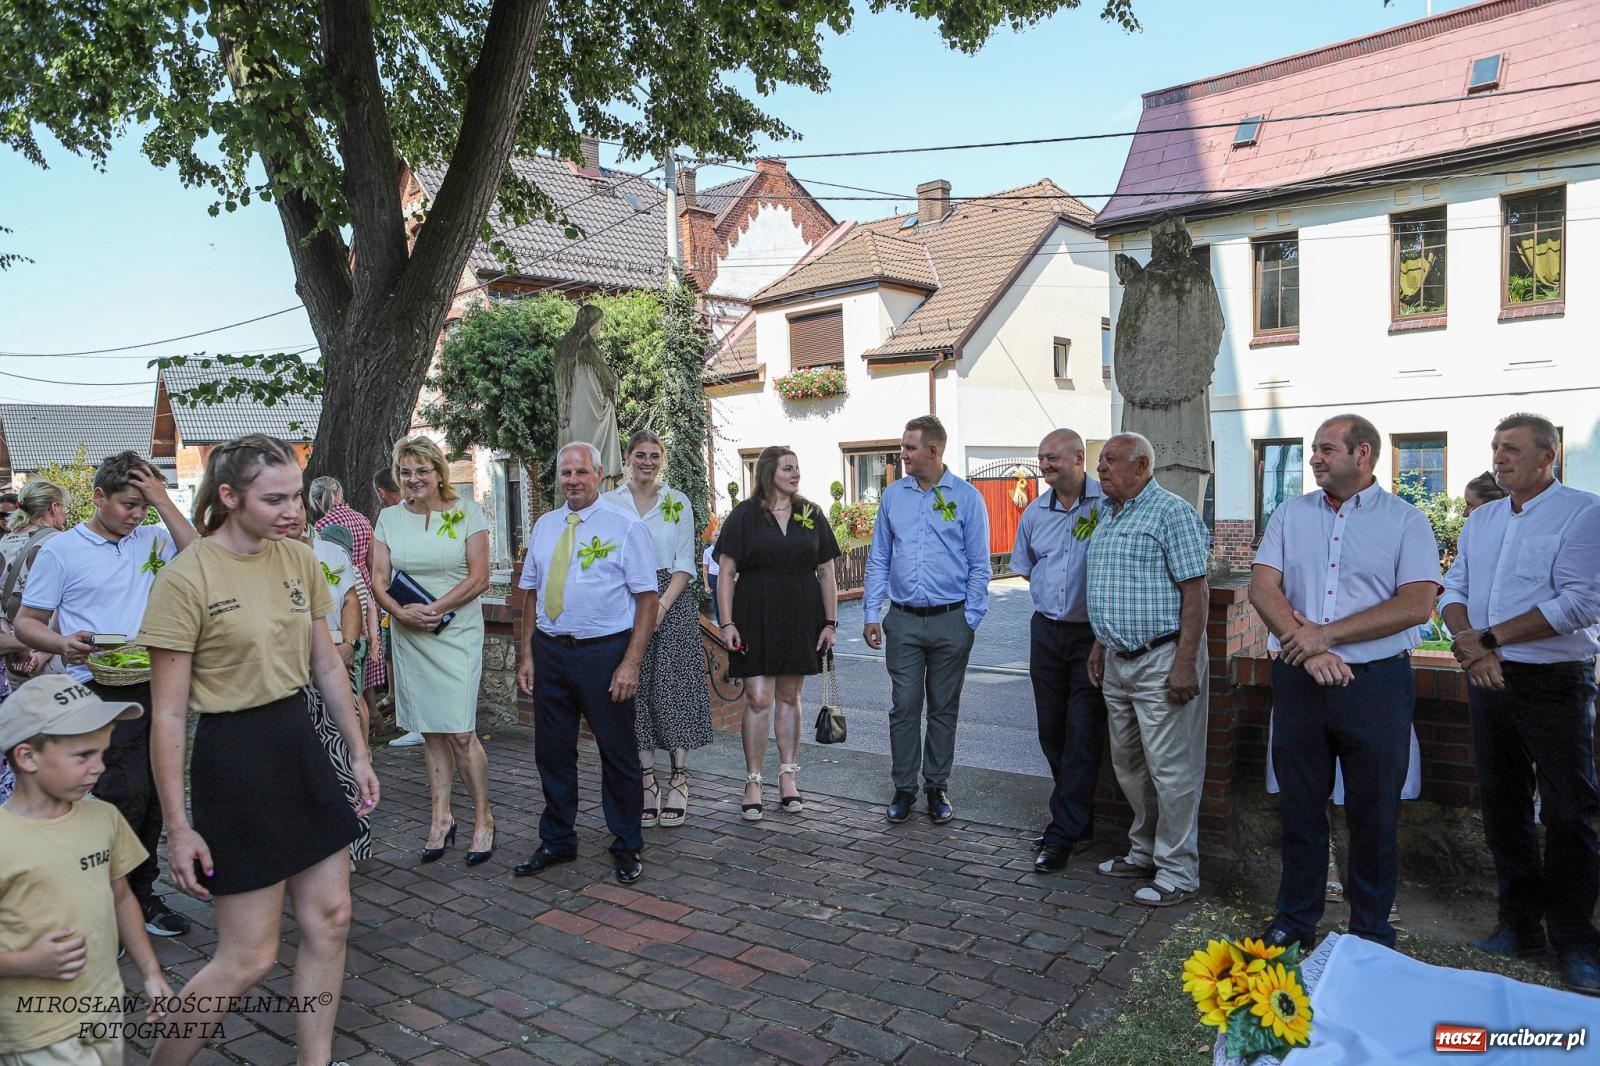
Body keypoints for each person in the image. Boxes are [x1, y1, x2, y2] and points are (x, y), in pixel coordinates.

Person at [137, 433, 377, 1066]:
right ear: (229, 496)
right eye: (275, 500)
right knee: (248, 957)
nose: (292, 511)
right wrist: (179, 828)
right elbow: (167, 715)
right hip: (234, 757)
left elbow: (326, 664)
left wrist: (357, 752)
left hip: (300, 743)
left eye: (296, 496)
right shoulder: (186, 577)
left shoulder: (299, 558)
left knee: (331, 917)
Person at [1251, 414, 1439, 950]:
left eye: (1326, 449)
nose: (1314, 457)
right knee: (1300, 806)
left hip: (1375, 684)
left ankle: (1370, 930)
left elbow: (1416, 604)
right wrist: (1310, 649)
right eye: (1314, 448)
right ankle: (1295, 919)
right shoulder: (1290, 513)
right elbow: (1263, 589)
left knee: (1374, 812)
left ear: (1362, 454)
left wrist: (1326, 635)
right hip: (1300, 679)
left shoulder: (1406, 521)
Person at [1441, 413, 1600, 994]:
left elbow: (1580, 604)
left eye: (1511, 448)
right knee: (1502, 803)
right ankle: (1519, 925)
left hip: (1555, 681)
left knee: (1568, 810)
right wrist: (1471, 646)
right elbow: (1454, 588)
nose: (1499, 457)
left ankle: (1576, 940)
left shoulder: (1583, 513)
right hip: (1489, 678)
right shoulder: (1482, 519)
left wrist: (1488, 639)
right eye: (1495, 447)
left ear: (1547, 457)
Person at [15, 451, 197, 940]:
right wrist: (62, 644)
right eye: (128, 504)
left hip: (157, 680)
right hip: (95, 686)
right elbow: (27, 623)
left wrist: (163, 501)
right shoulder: (62, 550)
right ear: (98, 497)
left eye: (144, 505)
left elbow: (201, 556)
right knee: (121, 794)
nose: (137, 514)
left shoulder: (154, 538)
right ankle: (108, 905)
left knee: (156, 792)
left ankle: (141, 895)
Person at [0, 676, 174, 1066]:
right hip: (36, 1028)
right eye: (83, 756)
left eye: (102, 752)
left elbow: (121, 896)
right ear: (28, 757)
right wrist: (27, 962)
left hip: (103, 1007)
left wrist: (150, 971)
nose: (99, 767)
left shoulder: (103, 817)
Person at [515, 442, 657, 885]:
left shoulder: (626, 527)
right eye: (565, 473)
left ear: (598, 474)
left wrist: (631, 663)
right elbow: (531, 594)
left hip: (604, 654)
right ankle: (558, 839)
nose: (572, 480)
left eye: (581, 472)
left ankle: (627, 844)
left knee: (617, 753)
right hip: (550, 652)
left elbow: (647, 600)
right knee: (552, 752)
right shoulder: (544, 525)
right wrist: (527, 653)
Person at [1085, 432, 1210, 907]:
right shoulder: (1110, 515)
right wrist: (1100, 645)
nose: (1101, 468)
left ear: (1142, 466)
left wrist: (1185, 662)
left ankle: (1178, 871)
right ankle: (1144, 851)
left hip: (1161, 658)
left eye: (1111, 460)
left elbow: (1196, 592)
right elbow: (1113, 587)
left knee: (1172, 770)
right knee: (1130, 766)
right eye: (1101, 460)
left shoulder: (1172, 512)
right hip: (1118, 661)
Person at [372, 437, 494, 866]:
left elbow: (481, 576)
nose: (414, 479)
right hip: (410, 633)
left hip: (457, 632)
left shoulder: (467, 512)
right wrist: (399, 613)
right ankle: (440, 818)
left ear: (439, 472)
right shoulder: (388, 518)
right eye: (406, 472)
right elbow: (378, 579)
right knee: (431, 731)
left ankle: (483, 818)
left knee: (460, 731)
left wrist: (436, 608)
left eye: (422, 470)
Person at [862, 415, 990, 825]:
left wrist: (970, 619)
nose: (902, 454)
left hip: (952, 620)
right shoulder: (893, 497)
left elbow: (980, 565)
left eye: (909, 448)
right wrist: (871, 613)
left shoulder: (967, 498)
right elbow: (879, 558)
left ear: (933, 450)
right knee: (904, 707)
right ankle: (904, 788)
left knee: (943, 708)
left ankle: (936, 786)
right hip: (902, 620)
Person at [716, 446, 840, 821]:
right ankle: (753, 781)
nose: (795, 473)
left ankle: (788, 776)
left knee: (789, 696)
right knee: (757, 698)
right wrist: (726, 623)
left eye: (797, 468)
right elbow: (726, 572)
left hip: (801, 615)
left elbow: (827, 573)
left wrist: (830, 623)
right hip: (754, 614)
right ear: (769, 472)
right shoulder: (745, 515)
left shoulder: (811, 513)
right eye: (788, 468)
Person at [1009, 429, 1105, 874]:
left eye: (1052, 458)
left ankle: (1063, 832)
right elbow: (1028, 569)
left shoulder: (1107, 506)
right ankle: (1077, 820)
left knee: (1082, 732)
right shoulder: (1034, 513)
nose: (1044, 465)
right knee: (1051, 731)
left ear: (1078, 457)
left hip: (1091, 637)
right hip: (1046, 632)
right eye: (1041, 458)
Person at [607, 430, 711, 828]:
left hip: (672, 598)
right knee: (637, 691)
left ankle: (679, 778)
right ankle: (647, 780)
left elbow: (685, 562)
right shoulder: (611, 502)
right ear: (628, 457)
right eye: (640, 455)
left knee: (674, 688)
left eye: (654, 455)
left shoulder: (677, 501)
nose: (647, 462)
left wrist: (660, 607)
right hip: (626, 600)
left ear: (661, 459)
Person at [299, 515, 372, 863]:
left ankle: (350, 845)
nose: (291, 514)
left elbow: (351, 600)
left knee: (342, 749)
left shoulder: (330, 552)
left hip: (334, 657)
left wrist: (349, 645)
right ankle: (312, 848)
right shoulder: (264, 556)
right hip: (291, 665)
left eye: (296, 503)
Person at [0, 479, 70, 688]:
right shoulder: (61, 543)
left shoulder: (3, 543)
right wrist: (43, 652)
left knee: (24, 708)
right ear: (53, 508)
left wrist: (13, 641)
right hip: (52, 656)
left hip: (15, 659)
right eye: (65, 508)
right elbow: (69, 604)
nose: (66, 514)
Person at [369, 467, 408, 744]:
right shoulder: (391, 517)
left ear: (381, 492)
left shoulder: (397, 517)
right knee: (397, 659)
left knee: (404, 662)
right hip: (395, 601)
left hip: (404, 599)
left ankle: (415, 724)